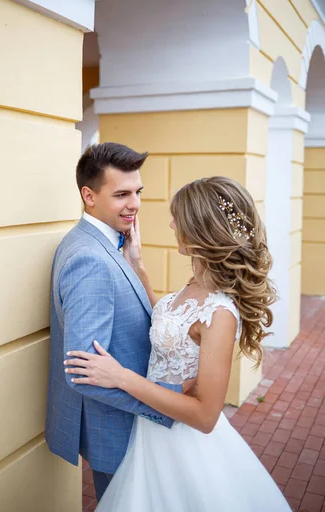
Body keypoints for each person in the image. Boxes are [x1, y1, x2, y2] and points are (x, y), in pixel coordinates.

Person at [65, 176, 292, 511]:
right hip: (151, 433)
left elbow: (205, 416)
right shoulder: (197, 281)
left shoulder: (220, 312)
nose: (172, 224)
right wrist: (138, 267)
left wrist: (121, 377)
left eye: (178, 218)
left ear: (200, 229)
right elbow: (170, 325)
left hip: (180, 444)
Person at [45, 142, 191, 503]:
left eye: (138, 192)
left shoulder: (105, 244)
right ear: (88, 195)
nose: (135, 204)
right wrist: (165, 403)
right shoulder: (90, 260)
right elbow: (82, 370)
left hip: (123, 425)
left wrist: (135, 265)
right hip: (115, 430)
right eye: (122, 194)